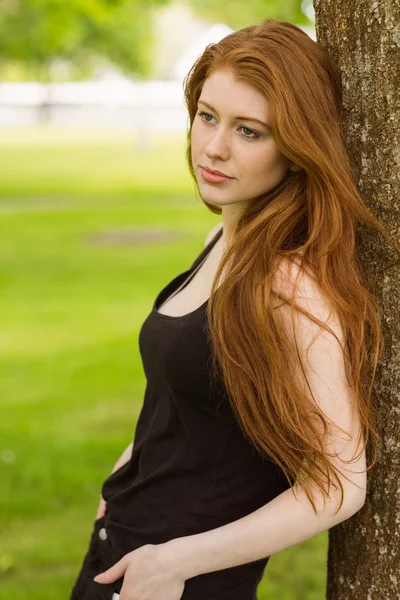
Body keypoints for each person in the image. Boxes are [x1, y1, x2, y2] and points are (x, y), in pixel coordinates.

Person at [69, 18, 389, 600]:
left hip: (179, 580)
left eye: (249, 131)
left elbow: (342, 481)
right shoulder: (226, 236)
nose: (214, 147)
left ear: (296, 148)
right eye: (208, 116)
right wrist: (119, 481)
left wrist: (174, 563)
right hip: (122, 549)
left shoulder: (287, 283)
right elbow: (184, 401)